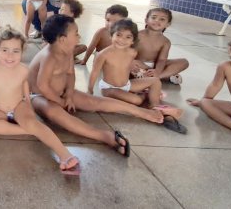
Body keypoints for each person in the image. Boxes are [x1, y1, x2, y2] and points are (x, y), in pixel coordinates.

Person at [29, 15, 164, 159]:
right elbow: (42, 86)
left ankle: (141, 112)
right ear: (62, 39)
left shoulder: (67, 51)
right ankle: (103, 136)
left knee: (94, 101)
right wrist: (60, 101)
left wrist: (68, 94)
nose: (79, 36)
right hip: (39, 97)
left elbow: (70, 74)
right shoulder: (49, 56)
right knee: (54, 112)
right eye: (76, 33)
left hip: (61, 92)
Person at [0, 26, 80, 174]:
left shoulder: (23, 70)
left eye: (16, 51)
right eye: (5, 50)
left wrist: (28, 102)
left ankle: (65, 155)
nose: (10, 56)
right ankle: (29, 131)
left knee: (31, 121)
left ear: (22, 52)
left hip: (18, 105)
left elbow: (25, 85)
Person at [87, 19, 187, 133]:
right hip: (110, 88)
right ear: (111, 36)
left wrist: (137, 71)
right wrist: (90, 91)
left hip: (127, 84)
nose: (122, 40)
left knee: (155, 81)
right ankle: (144, 96)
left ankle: (155, 105)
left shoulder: (132, 52)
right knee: (136, 101)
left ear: (133, 40)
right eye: (118, 35)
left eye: (128, 37)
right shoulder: (103, 54)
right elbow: (94, 72)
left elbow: (126, 66)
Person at [132, 8, 187, 84]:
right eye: (153, 17)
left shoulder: (165, 41)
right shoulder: (137, 35)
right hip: (139, 64)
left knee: (184, 62)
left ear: (168, 24)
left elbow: (162, 60)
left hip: (155, 65)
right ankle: (166, 76)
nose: (157, 21)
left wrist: (157, 71)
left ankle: (157, 76)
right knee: (131, 62)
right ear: (146, 20)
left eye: (162, 19)